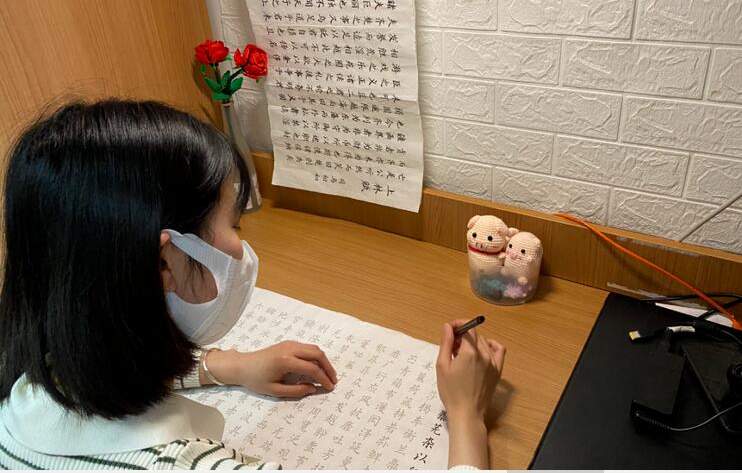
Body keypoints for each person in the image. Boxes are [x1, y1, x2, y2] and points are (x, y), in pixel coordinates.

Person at [0, 100, 505, 469]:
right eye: (233, 224)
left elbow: (108, 361)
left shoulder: (34, 372)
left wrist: (224, 366)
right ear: (164, 263)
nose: (241, 246)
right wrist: (466, 416)